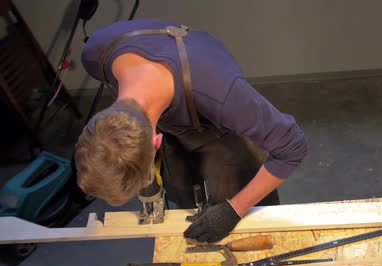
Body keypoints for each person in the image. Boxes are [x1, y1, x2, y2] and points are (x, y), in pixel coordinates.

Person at [75, 19, 307, 242]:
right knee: (184, 200)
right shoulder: (96, 55)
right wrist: (146, 184)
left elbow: (293, 146)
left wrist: (234, 209)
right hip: (173, 119)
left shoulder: (222, 95)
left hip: (215, 127)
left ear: (157, 143)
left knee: (245, 221)